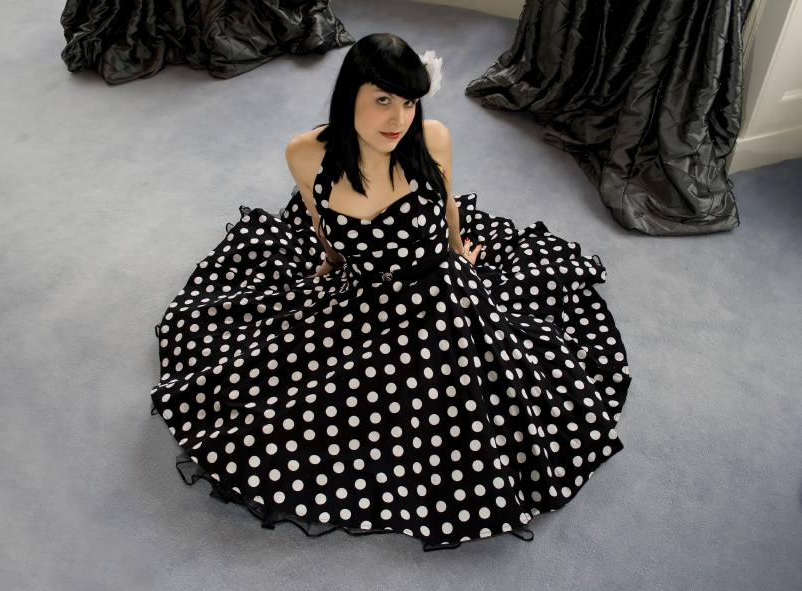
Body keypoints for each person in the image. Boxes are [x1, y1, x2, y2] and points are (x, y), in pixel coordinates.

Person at [151, 33, 631, 551]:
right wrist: (330, 264)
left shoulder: (433, 138)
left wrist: (459, 252)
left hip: (441, 296)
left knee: (455, 411)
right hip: (361, 295)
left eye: (409, 102)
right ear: (350, 94)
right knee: (297, 406)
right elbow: (319, 222)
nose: (398, 118)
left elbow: (448, 204)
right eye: (383, 99)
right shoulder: (305, 153)